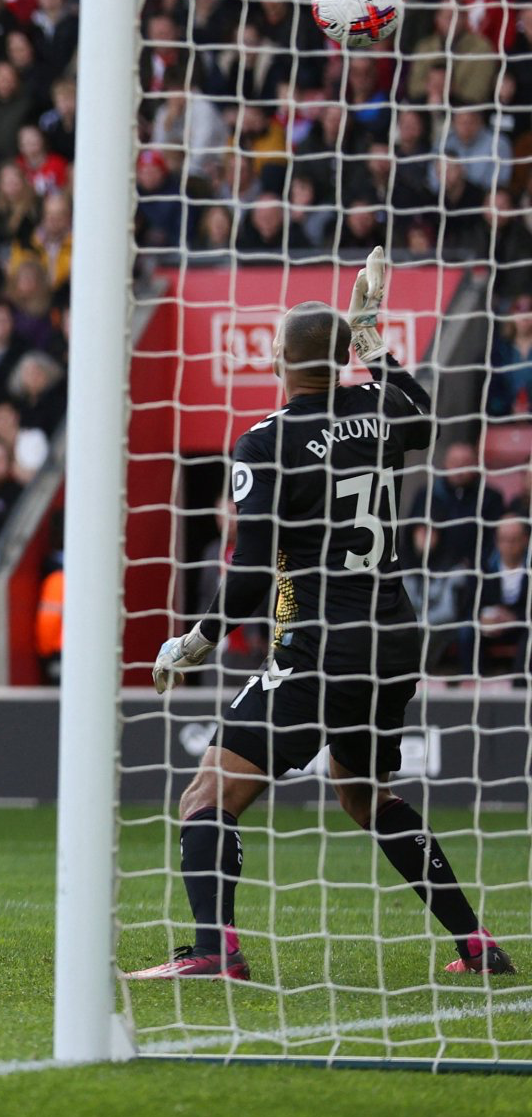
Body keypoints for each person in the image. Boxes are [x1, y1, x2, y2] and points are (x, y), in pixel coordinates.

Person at [143, 252, 514, 979]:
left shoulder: (266, 441)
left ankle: (217, 954)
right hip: (393, 640)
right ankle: (475, 945)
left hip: (319, 646)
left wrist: (200, 638)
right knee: (364, 795)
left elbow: (250, 569)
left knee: (207, 790)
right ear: (345, 356)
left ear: (279, 360)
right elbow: (424, 416)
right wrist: (376, 344)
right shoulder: (378, 415)